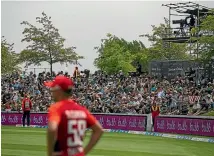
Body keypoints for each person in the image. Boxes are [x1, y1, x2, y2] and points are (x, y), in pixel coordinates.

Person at [44, 75, 103, 156]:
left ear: (59, 91)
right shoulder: (82, 110)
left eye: (52, 89)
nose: (51, 92)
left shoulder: (57, 108)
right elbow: (99, 130)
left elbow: (52, 129)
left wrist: (50, 153)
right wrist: (84, 153)